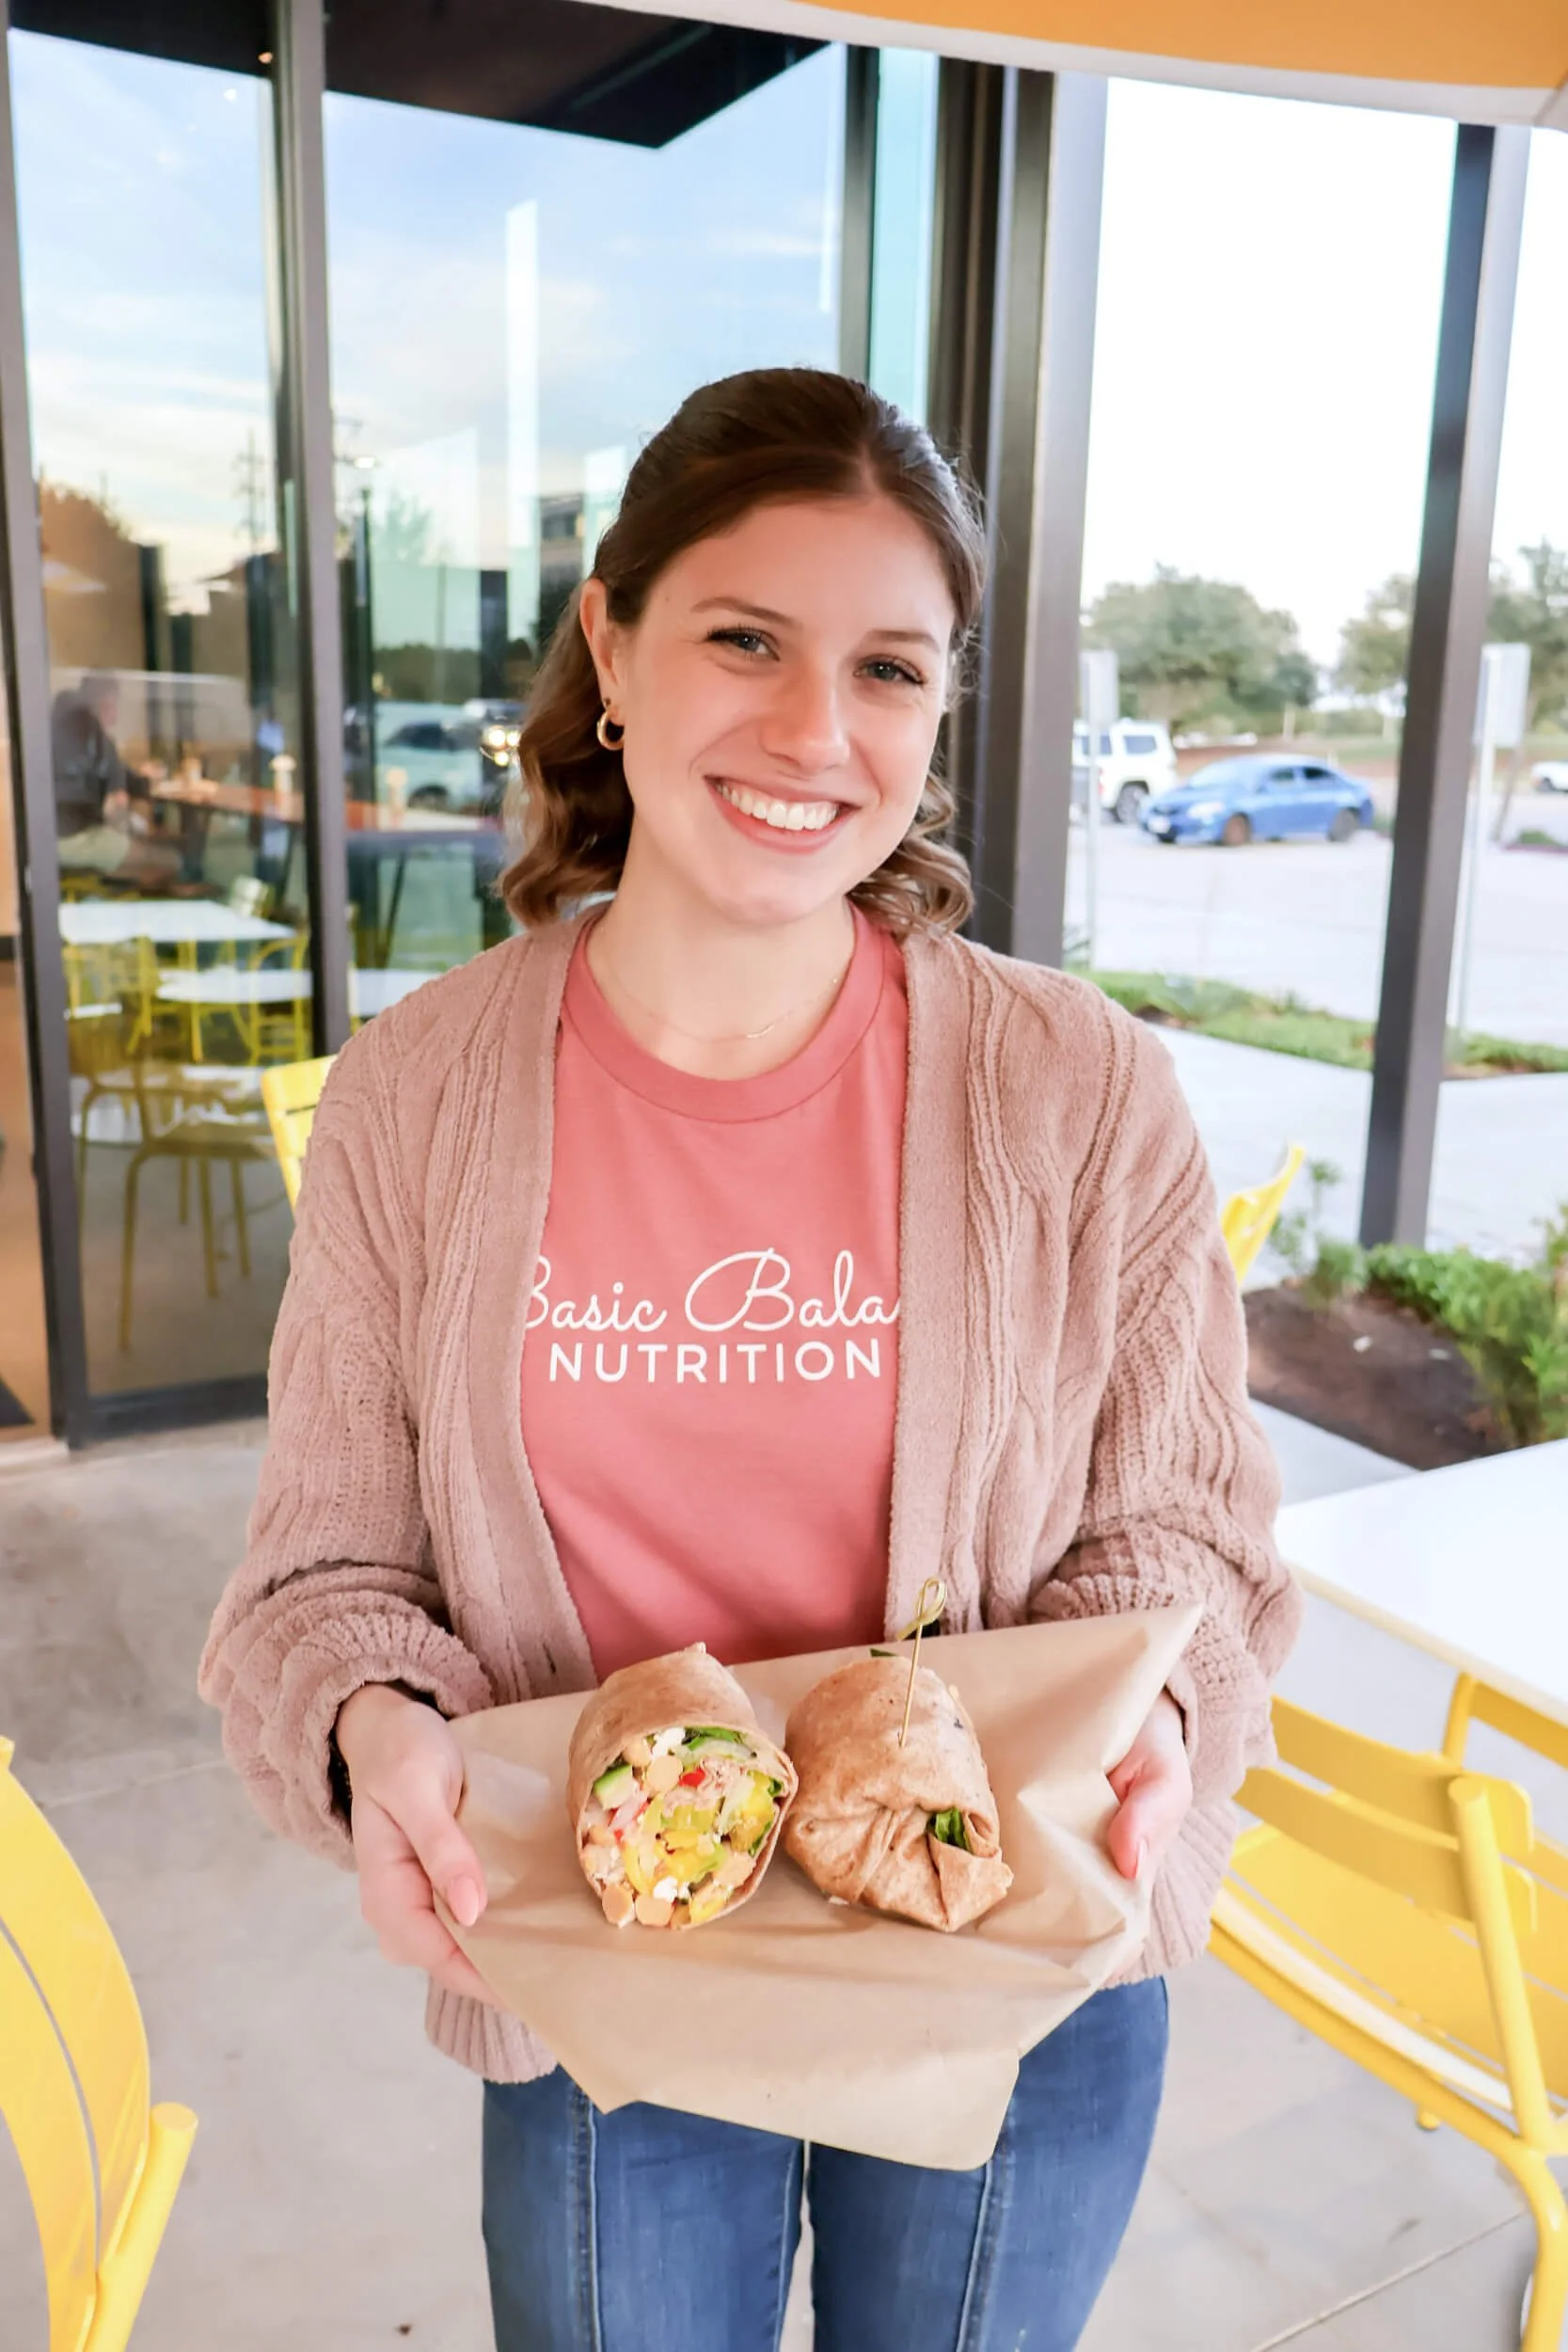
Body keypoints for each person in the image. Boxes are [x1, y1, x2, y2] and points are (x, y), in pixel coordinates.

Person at [200, 368, 1299, 2352]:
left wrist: (1144, 1707)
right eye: (742, 638)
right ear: (611, 642)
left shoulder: (1074, 1085)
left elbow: (1182, 1528)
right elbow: (326, 1571)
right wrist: (375, 1733)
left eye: (888, 667)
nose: (814, 730)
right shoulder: (414, 1099)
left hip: (1011, 1956)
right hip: (607, 1977)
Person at [52, 671, 182, 886]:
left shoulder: (57, 727)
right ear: (106, 703)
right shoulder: (99, 740)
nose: (116, 714)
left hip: (47, 840)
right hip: (75, 839)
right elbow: (117, 805)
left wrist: (140, 780)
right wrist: (133, 831)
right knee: (170, 861)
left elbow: (114, 776)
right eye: (115, 704)